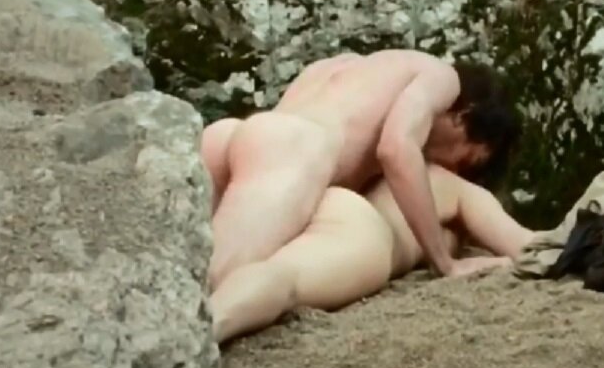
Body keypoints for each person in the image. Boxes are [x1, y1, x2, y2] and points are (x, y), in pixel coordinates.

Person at [200, 50, 521, 291]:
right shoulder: (442, 77)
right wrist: (444, 262)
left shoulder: (343, 66)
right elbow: (397, 149)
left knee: (183, 264)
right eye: (466, 161)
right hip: (293, 148)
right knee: (213, 282)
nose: (451, 170)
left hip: (234, 136)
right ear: (463, 117)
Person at [209, 163, 537, 345]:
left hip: (323, 198)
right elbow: (526, 247)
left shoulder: (389, 171)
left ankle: (208, 314)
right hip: (361, 228)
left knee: (255, 266)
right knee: (286, 277)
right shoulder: (457, 186)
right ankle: (208, 328)